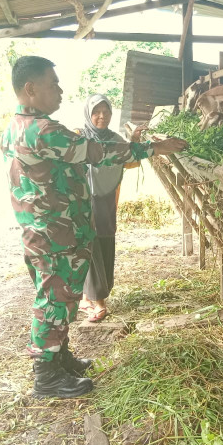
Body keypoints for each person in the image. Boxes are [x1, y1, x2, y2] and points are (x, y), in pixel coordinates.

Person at [2, 56, 186, 399]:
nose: (60, 90)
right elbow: (96, 151)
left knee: (61, 298)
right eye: (53, 84)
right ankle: (46, 377)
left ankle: (60, 359)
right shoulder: (42, 131)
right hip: (54, 234)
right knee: (53, 302)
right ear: (30, 89)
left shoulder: (17, 126)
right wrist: (154, 147)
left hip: (46, 230)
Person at [77, 93, 143, 323]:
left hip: (106, 200)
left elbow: (132, 160)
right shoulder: (79, 137)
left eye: (106, 112)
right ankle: (96, 301)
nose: (102, 116)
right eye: (96, 112)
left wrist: (133, 142)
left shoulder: (115, 139)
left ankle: (93, 297)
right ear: (88, 114)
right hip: (82, 201)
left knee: (103, 242)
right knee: (89, 245)